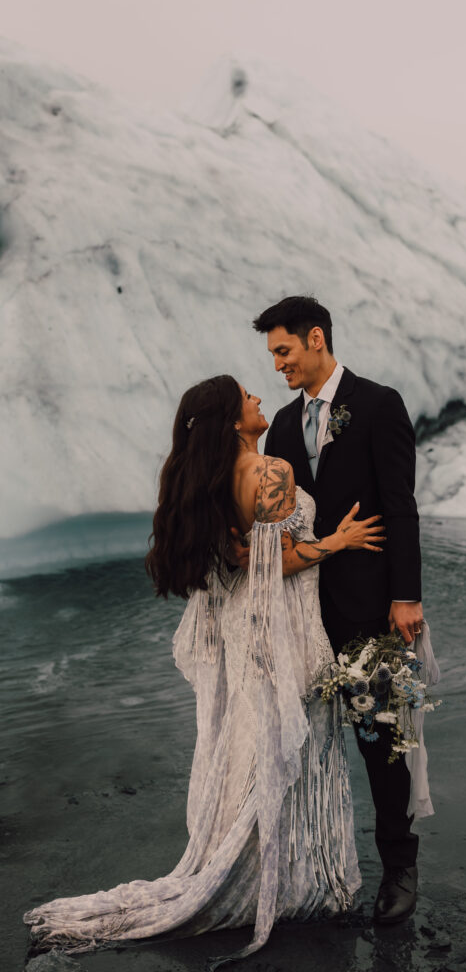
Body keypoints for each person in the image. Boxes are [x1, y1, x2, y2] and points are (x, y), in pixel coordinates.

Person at [24, 374, 385, 963]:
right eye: (247, 396)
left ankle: (262, 869)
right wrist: (338, 542)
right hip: (280, 626)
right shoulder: (269, 472)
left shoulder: (215, 481)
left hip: (242, 628)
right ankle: (290, 881)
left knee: (253, 746)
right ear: (230, 417)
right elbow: (273, 567)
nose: (259, 399)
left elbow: (240, 557)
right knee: (289, 749)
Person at [250, 296, 434, 926]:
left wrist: (406, 595)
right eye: (273, 354)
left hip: (370, 607)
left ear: (317, 339)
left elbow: (400, 505)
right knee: (301, 745)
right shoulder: (279, 423)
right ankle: (308, 867)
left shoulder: (380, 406)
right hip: (304, 612)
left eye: (284, 351)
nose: (278, 365)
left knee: (380, 738)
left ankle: (399, 869)